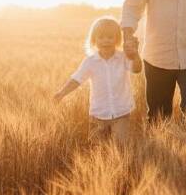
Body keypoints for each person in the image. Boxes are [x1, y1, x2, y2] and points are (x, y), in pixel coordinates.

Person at [53, 16, 142, 145]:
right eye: (101, 37)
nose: (105, 41)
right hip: (98, 114)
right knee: (98, 149)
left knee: (122, 146)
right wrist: (61, 93)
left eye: (110, 37)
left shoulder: (123, 58)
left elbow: (136, 69)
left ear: (117, 39)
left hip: (121, 112)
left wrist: (135, 55)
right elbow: (76, 79)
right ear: (94, 40)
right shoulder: (90, 62)